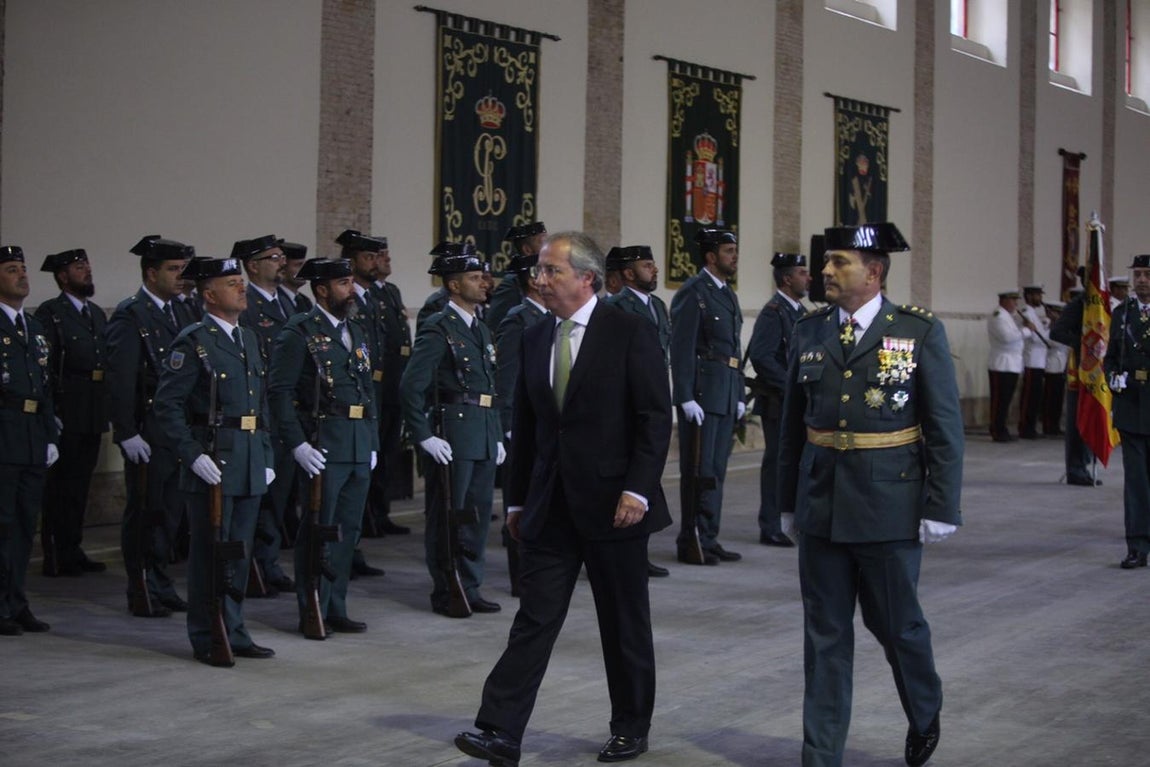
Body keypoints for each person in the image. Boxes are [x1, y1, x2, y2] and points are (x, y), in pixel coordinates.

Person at [454, 231, 672, 766]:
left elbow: (653, 418)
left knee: (622, 621)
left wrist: (637, 489)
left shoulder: (630, 331)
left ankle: (630, 726)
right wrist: (518, 501)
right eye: (538, 271)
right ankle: (500, 731)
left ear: (586, 278)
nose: (540, 280)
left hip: (615, 504)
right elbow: (528, 429)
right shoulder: (533, 337)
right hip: (551, 504)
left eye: (551, 271)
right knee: (535, 617)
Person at [778, 223, 963, 767]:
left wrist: (941, 506)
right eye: (826, 263)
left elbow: (945, 426)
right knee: (825, 637)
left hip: (889, 506)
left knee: (897, 625)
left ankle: (924, 709)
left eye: (839, 263)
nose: (826, 272)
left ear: (874, 271)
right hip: (820, 504)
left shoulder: (917, 331)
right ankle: (821, 756)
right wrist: (786, 501)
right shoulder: (809, 330)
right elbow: (793, 424)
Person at [152, 257, 276, 665]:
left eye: (242, 281)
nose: (241, 288)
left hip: (248, 459)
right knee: (209, 556)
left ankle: (234, 628)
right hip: (214, 462)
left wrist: (267, 454)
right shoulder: (194, 340)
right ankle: (207, 635)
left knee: (238, 553)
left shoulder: (250, 339)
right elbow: (166, 408)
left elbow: (263, 406)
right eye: (231, 283)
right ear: (208, 294)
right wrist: (192, 456)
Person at [268, 257, 378, 636]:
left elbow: (367, 390)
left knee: (348, 531)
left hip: (357, 444)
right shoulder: (299, 332)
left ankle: (336, 605)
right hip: (323, 444)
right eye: (344, 283)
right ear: (322, 290)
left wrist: (373, 439)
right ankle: (311, 606)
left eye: (350, 281)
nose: (351, 290)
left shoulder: (355, 331)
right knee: (318, 530)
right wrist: (296, 444)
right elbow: (279, 393)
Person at [400, 241, 504, 616]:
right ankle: (447, 587)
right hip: (454, 433)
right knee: (449, 514)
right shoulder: (438, 328)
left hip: (482, 432)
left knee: (475, 515)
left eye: (482, 277)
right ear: (454, 285)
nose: (483, 283)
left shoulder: (481, 328)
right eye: (474, 278)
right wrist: (423, 435)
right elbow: (412, 387)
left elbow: (489, 387)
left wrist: (496, 432)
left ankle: (470, 584)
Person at [105, 234, 195, 617]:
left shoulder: (182, 312)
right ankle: (140, 586)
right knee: (145, 513)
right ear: (151, 272)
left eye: (182, 270)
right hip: (148, 430)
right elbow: (120, 377)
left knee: (170, 514)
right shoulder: (132, 314)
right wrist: (125, 432)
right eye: (173, 270)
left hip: (176, 431)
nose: (180, 277)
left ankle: (160, 582)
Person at [669, 228, 745, 565]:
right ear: (711, 256)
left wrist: (739, 392)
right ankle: (691, 537)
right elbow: (681, 347)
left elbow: (735, 349)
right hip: (702, 394)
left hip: (725, 392)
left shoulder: (727, 294)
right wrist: (684, 395)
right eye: (728, 251)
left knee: (717, 470)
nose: (734, 256)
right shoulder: (693, 293)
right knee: (698, 470)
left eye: (735, 250)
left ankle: (709, 537)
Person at [35, 249, 109, 577]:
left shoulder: (95, 313)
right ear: (63, 276)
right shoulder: (51, 314)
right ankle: (55, 551)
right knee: (60, 486)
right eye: (79, 268)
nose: (87, 271)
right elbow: (45, 366)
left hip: (92, 407)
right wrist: (51, 410)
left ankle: (73, 546)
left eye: (87, 266)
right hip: (68, 404)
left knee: (81, 484)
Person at [604, 244, 673, 577]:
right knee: (624, 479)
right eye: (648, 265)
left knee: (646, 480)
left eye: (654, 263)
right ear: (629, 273)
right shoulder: (615, 307)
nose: (655, 269)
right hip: (624, 405)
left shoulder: (658, 306)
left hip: (651, 401)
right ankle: (615, 551)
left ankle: (638, 553)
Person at [0, 246, 58, 636]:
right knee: (2, 525)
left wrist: (51, 434)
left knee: (23, 526)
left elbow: (46, 386)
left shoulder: (33, 328)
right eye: (11, 270)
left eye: (23, 269)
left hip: (33, 435)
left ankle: (16, 602)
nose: (22, 275)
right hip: (3, 436)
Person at [234, 234, 295, 596]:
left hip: (285, 413)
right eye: (273, 258)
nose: (281, 262)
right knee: (258, 494)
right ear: (253, 265)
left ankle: (268, 562)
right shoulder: (247, 305)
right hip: (260, 413)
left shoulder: (289, 303)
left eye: (281, 256)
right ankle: (251, 565)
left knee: (279, 495)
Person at [493, 245, 549, 595]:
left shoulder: (551, 317)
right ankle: (522, 576)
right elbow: (507, 378)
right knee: (523, 500)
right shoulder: (518, 319)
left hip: (546, 423)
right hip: (522, 425)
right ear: (532, 279)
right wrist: (509, 425)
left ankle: (541, 567)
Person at [747, 251, 809, 548]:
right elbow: (761, 356)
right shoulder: (774, 312)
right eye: (801, 273)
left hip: (796, 401)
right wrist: (792, 385)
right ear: (787, 279)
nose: (807, 277)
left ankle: (792, 519)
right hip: (778, 401)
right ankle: (770, 525)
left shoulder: (800, 312)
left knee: (796, 463)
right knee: (777, 463)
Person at [336, 229, 389, 575]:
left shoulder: (375, 297)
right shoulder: (348, 303)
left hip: (373, 395)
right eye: (367, 257)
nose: (374, 262)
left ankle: (356, 542)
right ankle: (345, 553)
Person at [1105, 254, 1150, 568]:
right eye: (1138, 275)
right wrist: (1112, 378)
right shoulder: (1122, 314)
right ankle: (1137, 545)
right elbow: (1110, 358)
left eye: (1147, 274)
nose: (1142, 280)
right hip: (1132, 408)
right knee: (1136, 482)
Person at [368, 233, 414, 536]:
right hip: (377, 388)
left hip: (394, 384)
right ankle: (368, 515)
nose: (385, 259)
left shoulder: (391, 291)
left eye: (385, 254)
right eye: (378, 255)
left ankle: (381, 511)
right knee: (373, 454)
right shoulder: (366, 294)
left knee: (387, 454)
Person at [1050, 284, 1102, 486]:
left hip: (1096, 372)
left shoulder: (1100, 305)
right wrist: (1083, 342)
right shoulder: (1077, 305)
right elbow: (1057, 333)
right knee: (1076, 421)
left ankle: (1085, 464)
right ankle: (1074, 468)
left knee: (1093, 418)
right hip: (1079, 371)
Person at [986, 289, 1030, 442]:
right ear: (1004, 301)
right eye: (1013, 300)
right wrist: (1027, 331)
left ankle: (1002, 428)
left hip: (1011, 364)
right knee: (1000, 401)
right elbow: (1007, 338)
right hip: (1001, 364)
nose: (1016, 304)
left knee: (1006, 400)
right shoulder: (998, 316)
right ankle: (997, 430)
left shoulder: (1008, 317)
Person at [487, 221, 546, 331]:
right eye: (543, 243)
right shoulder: (511, 283)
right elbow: (494, 325)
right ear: (527, 250)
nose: (548, 248)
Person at [1018, 284, 1051, 439]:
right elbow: (1037, 338)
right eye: (1038, 295)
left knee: (1035, 397)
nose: (1040, 299)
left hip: (1039, 361)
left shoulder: (1034, 313)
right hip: (1032, 360)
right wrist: (1048, 330)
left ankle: (1030, 427)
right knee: (1029, 397)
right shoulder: (1026, 313)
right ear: (1030, 296)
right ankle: (1025, 427)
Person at [1041, 301, 1070, 437]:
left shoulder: (1060, 328)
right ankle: (1048, 425)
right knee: (1050, 398)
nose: (1058, 316)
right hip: (1052, 365)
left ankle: (1055, 425)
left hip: (1061, 364)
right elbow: (1053, 343)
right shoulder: (1047, 327)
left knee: (1058, 398)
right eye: (1056, 313)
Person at [277, 240, 313, 315]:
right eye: (298, 265)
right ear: (283, 269)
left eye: (304, 264)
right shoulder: (276, 299)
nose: (304, 269)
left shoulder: (305, 301)